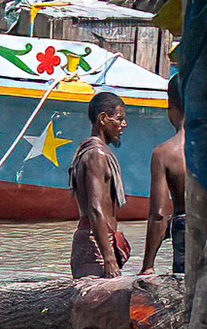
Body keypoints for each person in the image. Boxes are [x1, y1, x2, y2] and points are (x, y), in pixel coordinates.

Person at [70, 91, 131, 278]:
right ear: (103, 118)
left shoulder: (94, 152)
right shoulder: (96, 155)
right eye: (119, 119)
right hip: (95, 244)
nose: (124, 124)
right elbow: (96, 209)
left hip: (98, 241)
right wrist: (109, 259)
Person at [141, 76, 187, 275]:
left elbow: (158, 215)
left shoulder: (165, 153)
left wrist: (148, 266)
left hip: (186, 235)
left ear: (172, 108)